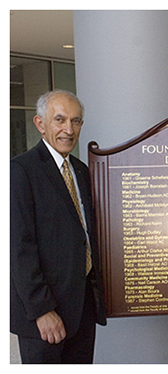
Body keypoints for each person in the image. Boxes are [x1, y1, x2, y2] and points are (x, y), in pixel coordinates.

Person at [11, 90, 107, 363]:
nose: (69, 129)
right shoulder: (20, 172)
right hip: (45, 314)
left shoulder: (80, 170)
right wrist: (42, 311)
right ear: (40, 124)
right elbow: (19, 249)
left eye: (76, 121)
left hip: (82, 307)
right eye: (60, 120)